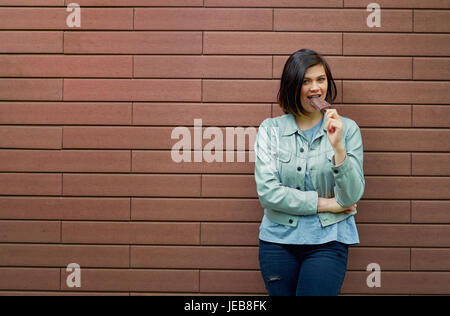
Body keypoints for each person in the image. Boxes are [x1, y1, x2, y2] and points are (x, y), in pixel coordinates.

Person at [253, 49, 365, 296]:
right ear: (293, 85)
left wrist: (338, 147)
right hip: (277, 242)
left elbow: (351, 197)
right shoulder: (270, 130)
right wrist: (324, 204)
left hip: (329, 241)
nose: (315, 88)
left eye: (321, 79)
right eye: (306, 81)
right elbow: (268, 193)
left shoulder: (348, 129)